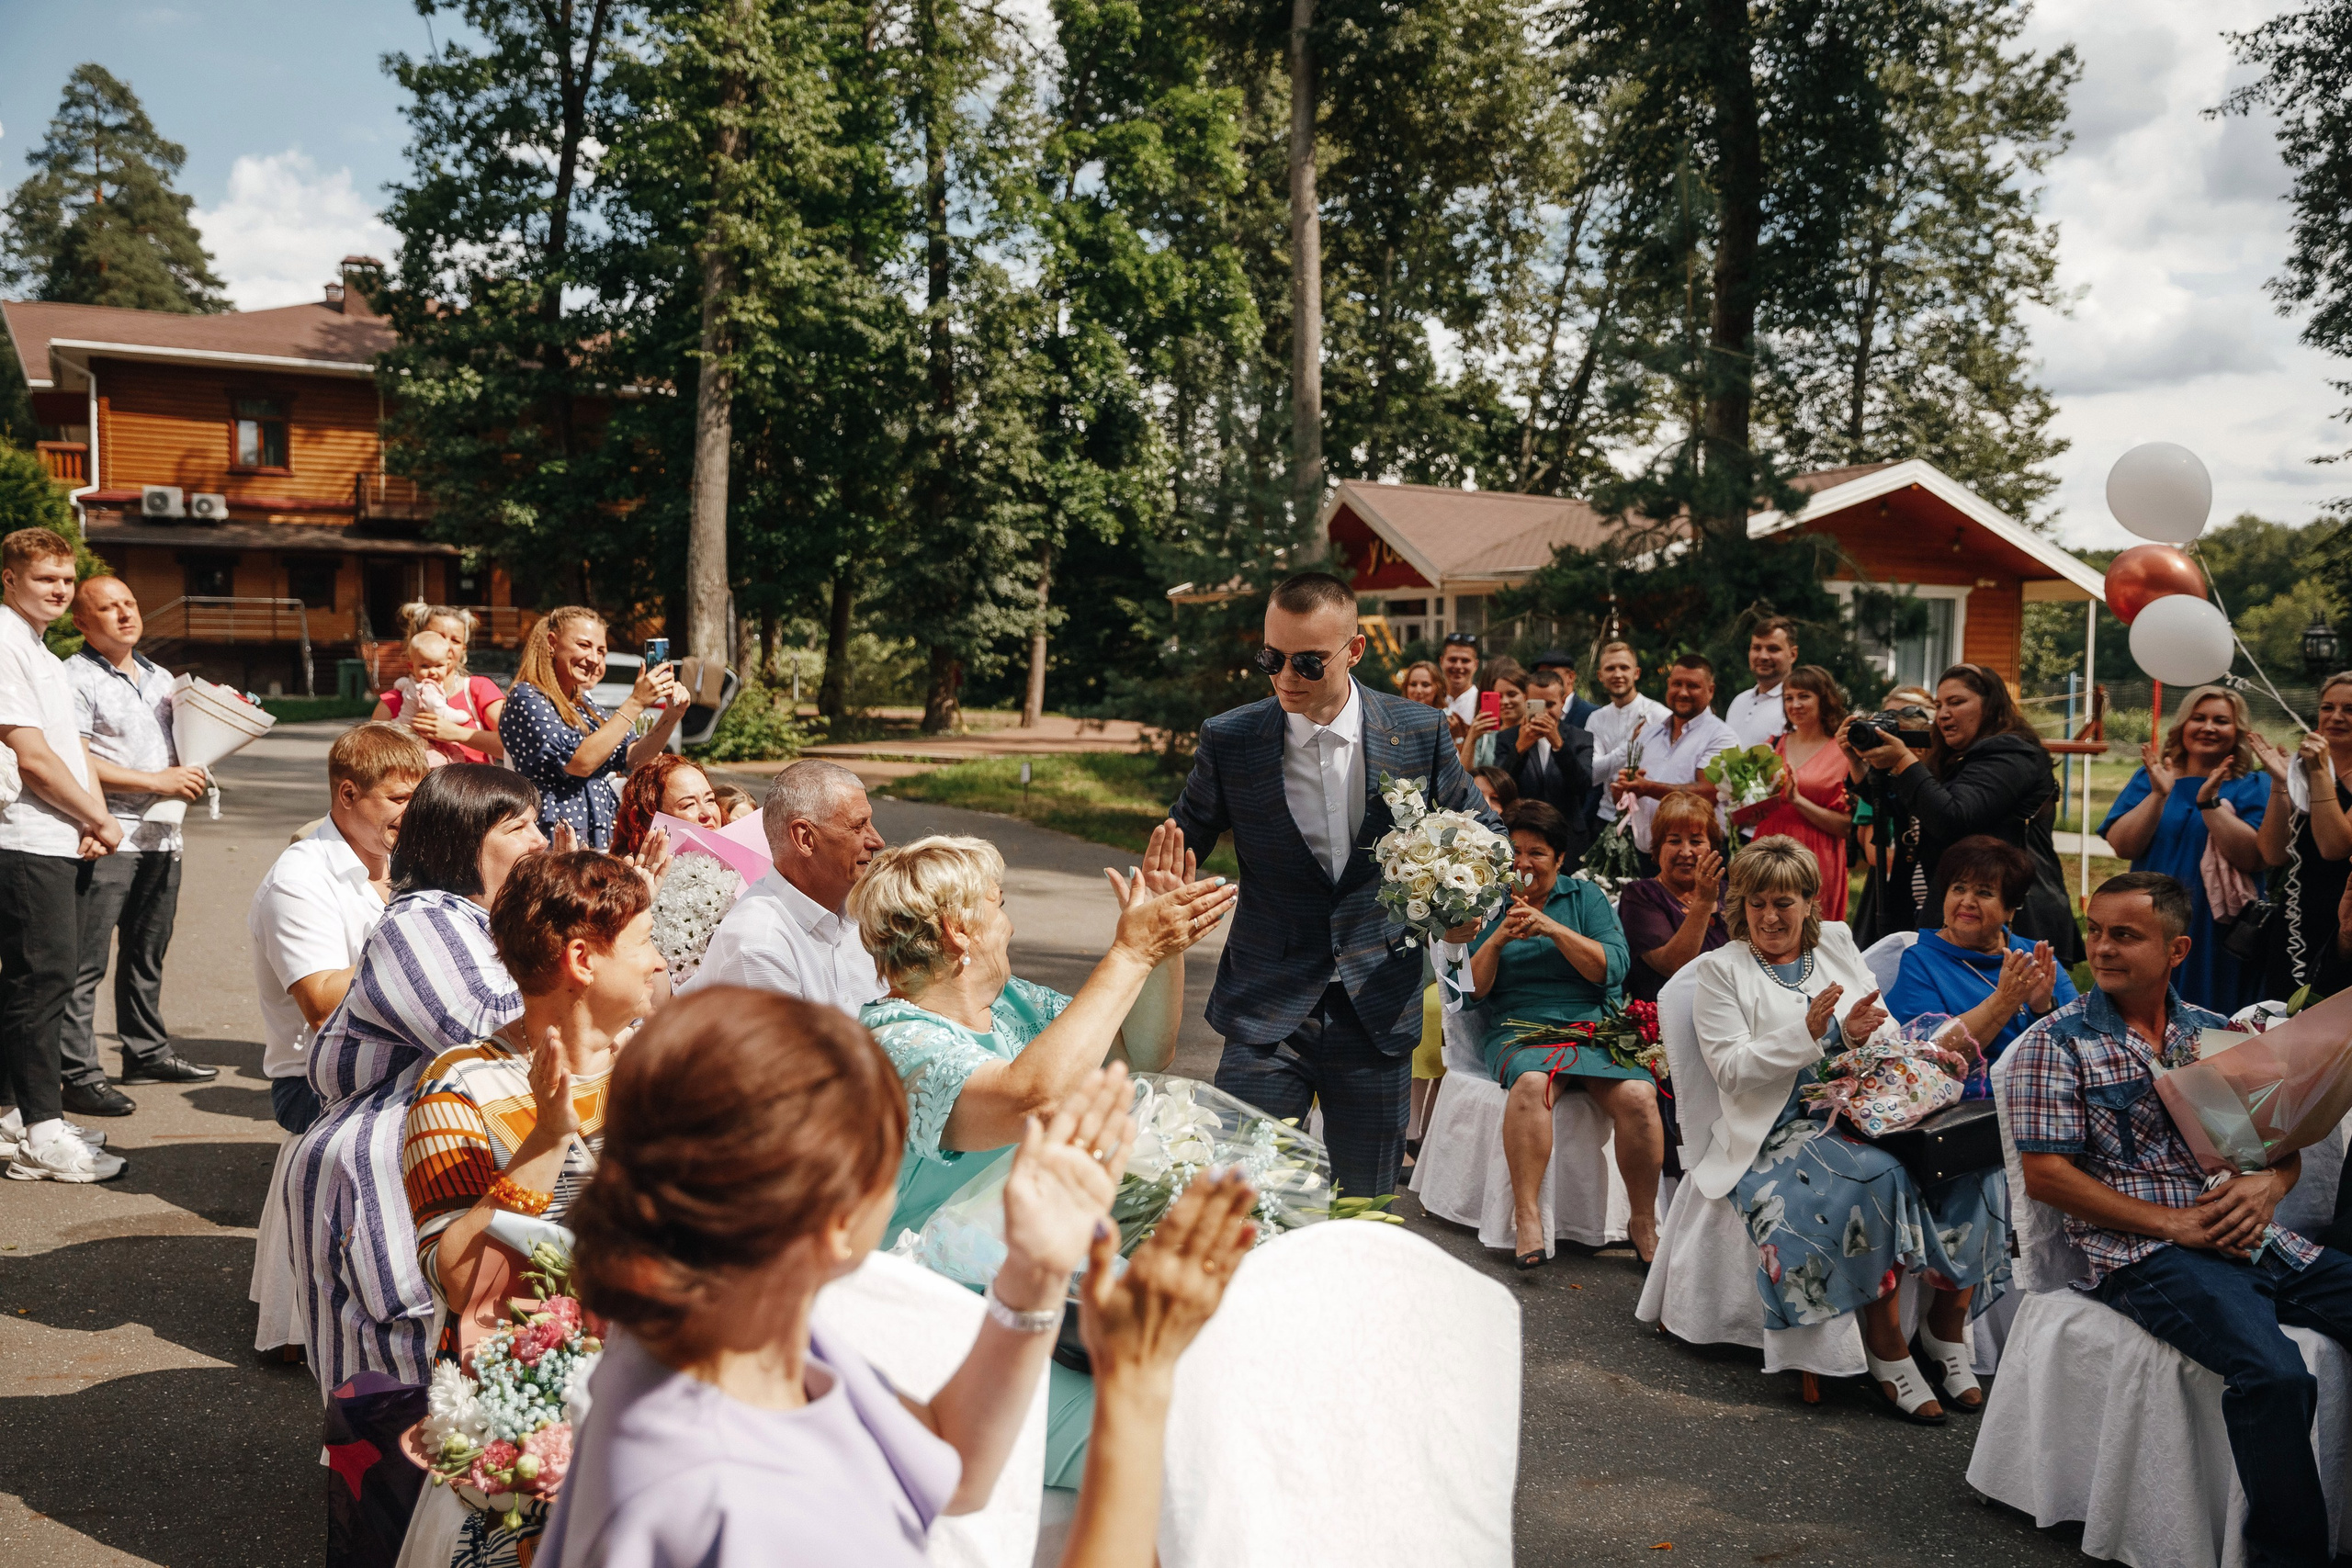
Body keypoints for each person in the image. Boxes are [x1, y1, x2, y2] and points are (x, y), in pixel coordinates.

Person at [544, 992, 1257, 1568]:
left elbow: (954, 1462)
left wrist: (1034, 1272)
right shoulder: (741, 1502)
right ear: (835, 1222)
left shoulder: (715, 1331)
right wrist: (1136, 1382)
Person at [2010, 871, 2352, 1568]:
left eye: (2125, 935)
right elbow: (2049, 1178)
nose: (2101, 948)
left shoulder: (2214, 1035)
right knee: (2277, 1375)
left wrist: (2267, 1187)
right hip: (2148, 1255)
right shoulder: (2059, 1043)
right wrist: (2173, 1226)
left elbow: (2271, 1147)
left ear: (2177, 948)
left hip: (2256, 1238)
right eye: (2097, 930)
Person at [1167, 570, 1500, 1201]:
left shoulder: (1419, 732)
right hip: (1267, 1006)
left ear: (1355, 650)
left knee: (1362, 1214)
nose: (1285, 676)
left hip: (1376, 1007)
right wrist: (1161, 885)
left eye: (1308, 661)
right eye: (1271, 657)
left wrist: (1467, 909)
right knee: (1240, 1206)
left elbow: (1486, 833)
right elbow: (1184, 836)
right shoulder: (1231, 738)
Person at [401, 852, 665, 1568]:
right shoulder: (459, 1086)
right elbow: (458, 1280)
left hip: (661, 1397)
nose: (657, 960)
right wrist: (545, 1144)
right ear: (582, 958)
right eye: (643, 942)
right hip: (524, 1427)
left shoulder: (666, 1067)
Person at [1689, 836, 2007, 1423]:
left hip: (1866, 1103)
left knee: (1974, 1156)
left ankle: (1945, 1332)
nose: (1769, 916)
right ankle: (1887, 1348)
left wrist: (1859, 1034)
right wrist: (1813, 1035)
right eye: (1756, 903)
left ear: (1810, 901)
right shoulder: (1721, 971)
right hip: (1780, 1127)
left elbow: (1881, 1033)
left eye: (1783, 901)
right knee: (1878, 1174)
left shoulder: (1834, 941)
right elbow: (1730, 1071)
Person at [283, 765, 545, 1396]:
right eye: (519, 827)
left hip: (452, 1156)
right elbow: (484, 1031)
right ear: (462, 843)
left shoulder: (501, 919)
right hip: (384, 1162)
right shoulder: (422, 918)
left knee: (463, 1375)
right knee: (400, 1382)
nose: (540, 839)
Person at [1463, 799, 1653, 1267]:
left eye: (1538, 853)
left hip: (1592, 1023)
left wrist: (1553, 929)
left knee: (1639, 1098)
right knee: (1532, 1082)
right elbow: (1471, 992)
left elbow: (1613, 970)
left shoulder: (1584, 898)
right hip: (1518, 1026)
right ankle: (1527, 1216)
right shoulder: (1487, 901)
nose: (1523, 863)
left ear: (1560, 858)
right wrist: (1500, 938)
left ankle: (1643, 1221)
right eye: (1514, 853)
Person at [60, 574, 216, 1116]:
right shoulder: (74, 678)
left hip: (163, 836)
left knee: (147, 954)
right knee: (86, 964)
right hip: (106, 835)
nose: (125, 614)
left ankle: (145, 1052)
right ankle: (76, 1073)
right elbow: (74, 760)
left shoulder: (161, 677)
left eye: (129, 602)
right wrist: (158, 783)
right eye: (108, 608)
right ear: (82, 622)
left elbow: (182, 748)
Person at [0, 527, 126, 1183]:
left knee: (36, 980)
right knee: (40, 982)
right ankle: (42, 1133)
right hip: (23, 836)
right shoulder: (2, 639)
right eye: (45, 577)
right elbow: (31, 754)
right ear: (9, 578)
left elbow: (66, 750)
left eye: (66, 579)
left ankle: (17, 1116)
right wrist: (97, 816)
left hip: (57, 833)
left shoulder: (41, 649)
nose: (59, 589)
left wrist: (84, 817)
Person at [249, 723, 432, 1136]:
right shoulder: (298, 881)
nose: (414, 813)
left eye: (418, 799)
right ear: (348, 794)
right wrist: (423, 943)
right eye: (399, 799)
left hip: (400, 1056)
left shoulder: (401, 858)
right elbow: (322, 1006)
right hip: (314, 1085)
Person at [1848, 663, 2081, 964]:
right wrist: (1859, 764)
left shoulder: (2010, 752)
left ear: (1991, 705)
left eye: (1956, 702)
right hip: (1955, 912)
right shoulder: (1956, 758)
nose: (1943, 713)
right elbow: (1913, 812)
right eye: (1939, 705)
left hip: (2008, 919)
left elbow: (1952, 818)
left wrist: (1905, 760)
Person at [2097, 685, 2273, 1013]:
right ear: (2183, 726)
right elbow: (2122, 845)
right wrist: (2158, 796)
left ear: (2237, 732)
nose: (2208, 727)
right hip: (2150, 916)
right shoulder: (2152, 778)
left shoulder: (2253, 785)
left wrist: (2210, 805)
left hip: (2216, 926)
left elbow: (2252, 856)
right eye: (2198, 718)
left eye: (2221, 721)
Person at [682, 759, 888, 1012]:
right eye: (859, 826)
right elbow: (790, 1052)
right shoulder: (758, 944)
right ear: (805, 838)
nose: (877, 841)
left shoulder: (863, 915)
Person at [1885, 834, 2075, 1099]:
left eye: (1984, 892)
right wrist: (2004, 1001)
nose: (1967, 901)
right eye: (1959, 888)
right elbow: (1930, 1056)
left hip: (2045, 1097)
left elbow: (2079, 1047)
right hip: (1972, 1108)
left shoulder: (2035, 958)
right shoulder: (1921, 961)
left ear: (2010, 909)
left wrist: (2043, 1009)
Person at [500, 606, 685, 849]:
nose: (594, 659)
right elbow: (580, 762)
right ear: (552, 643)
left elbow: (634, 757)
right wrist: (636, 702)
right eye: (584, 645)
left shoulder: (584, 704)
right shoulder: (526, 697)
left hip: (596, 831)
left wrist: (672, 714)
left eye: (602, 651)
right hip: (552, 836)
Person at [2257, 673, 2352, 1000]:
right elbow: (2273, 853)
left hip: (2343, 919)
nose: (2336, 717)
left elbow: (2334, 846)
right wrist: (2281, 782)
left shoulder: (2315, 771)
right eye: (2328, 707)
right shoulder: (2300, 769)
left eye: (2350, 709)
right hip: (2296, 915)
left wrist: (2320, 775)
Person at [1750, 665, 1853, 920]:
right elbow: (1756, 808)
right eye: (1789, 698)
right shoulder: (1772, 745)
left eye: (1804, 696)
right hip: (1768, 847)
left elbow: (1848, 828)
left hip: (1815, 854)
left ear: (1824, 699)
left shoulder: (1843, 752)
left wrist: (1798, 801)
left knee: (1810, 933)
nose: (1795, 704)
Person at [1616, 653, 1736, 853]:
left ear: (1711, 690)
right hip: (1647, 854)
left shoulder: (1722, 737)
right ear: (1668, 685)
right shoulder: (1648, 733)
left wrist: (1647, 788)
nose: (1683, 692)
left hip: (1693, 857)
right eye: (1677, 684)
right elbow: (1633, 792)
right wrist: (1624, 789)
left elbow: (1708, 794)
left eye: (1692, 686)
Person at [1616, 791, 1728, 1006]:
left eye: (1696, 841)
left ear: (1713, 849)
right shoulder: (1641, 895)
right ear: (1657, 850)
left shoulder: (1730, 893)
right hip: (1669, 1017)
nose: (1686, 852)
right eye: (1674, 841)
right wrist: (1704, 903)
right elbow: (1674, 966)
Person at [1498, 667, 1594, 860]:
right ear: (1526, 701)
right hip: (1520, 839)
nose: (1545, 713)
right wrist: (1519, 749)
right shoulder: (1507, 737)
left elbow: (1583, 786)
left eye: (1550, 705)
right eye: (1537, 705)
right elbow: (1499, 788)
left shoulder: (1580, 737)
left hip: (1568, 839)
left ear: (1563, 702)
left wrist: (1558, 744)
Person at [373, 627, 504, 764]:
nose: (447, 645)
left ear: (464, 649)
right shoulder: (395, 698)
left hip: (474, 780)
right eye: (439, 636)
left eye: (455, 640)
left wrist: (456, 733)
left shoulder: (479, 688)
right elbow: (372, 751)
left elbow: (512, 745)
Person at [1587, 639, 1669, 829]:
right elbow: (1592, 773)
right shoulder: (1596, 719)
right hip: (1607, 815)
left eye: (1624, 667)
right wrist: (1630, 745)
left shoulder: (1659, 715)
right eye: (1610, 668)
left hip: (1649, 817)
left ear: (1636, 673)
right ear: (1600, 675)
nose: (1618, 674)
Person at [610, 752, 723, 859]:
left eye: (710, 800)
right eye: (689, 805)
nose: (707, 813)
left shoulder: (736, 868)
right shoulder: (628, 877)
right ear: (649, 819)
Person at [1724, 617, 1798, 748]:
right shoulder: (1739, 702)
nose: (1763, 656)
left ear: (1792, 655)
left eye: (1773, 649)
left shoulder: (1796, 707)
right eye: (1756, 648)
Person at [1461, 660, 1525, 773]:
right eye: (1498, 696)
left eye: (1512, 694)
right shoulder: (1486, 736)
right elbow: (1464, 776)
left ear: (1526, 695)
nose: (1504, 701)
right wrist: (1471, 737)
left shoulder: (1534, 733)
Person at [1526, 650, 1599, 728]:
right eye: (1541, 675)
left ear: (1571, 677)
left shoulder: (1593, 714)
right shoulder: (1530, 712)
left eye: (1552, 674)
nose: (1546, 679)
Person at [1438, 631, 1481, 734]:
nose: (1458, 666)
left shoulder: (1481, 704)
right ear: (1441, 661)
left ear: (1475, 665)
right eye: (1453, 660)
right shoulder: (1431, 700)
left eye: (1465, 661)